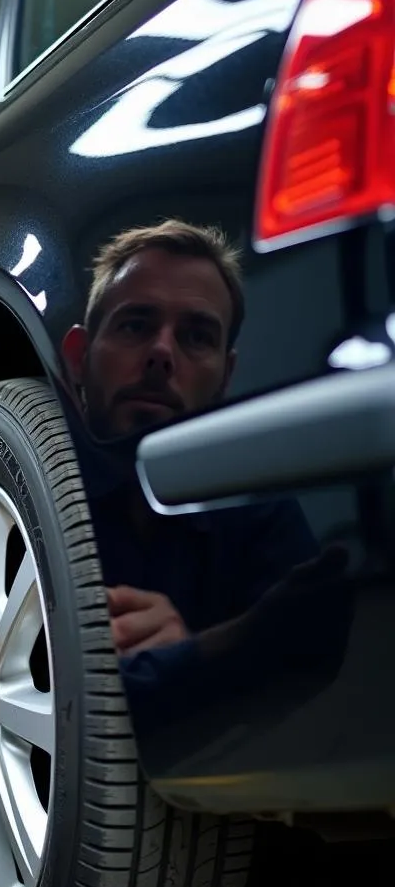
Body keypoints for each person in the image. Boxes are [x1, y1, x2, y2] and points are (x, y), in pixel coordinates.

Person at [58, 219, 320, 654]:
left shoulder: (256, 503)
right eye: (135, 326)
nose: (162, 353)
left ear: (225, 375)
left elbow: (309, 659)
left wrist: (191, 651)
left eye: (196, 337)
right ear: (79, 357)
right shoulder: (15, 490)